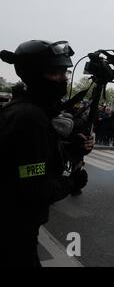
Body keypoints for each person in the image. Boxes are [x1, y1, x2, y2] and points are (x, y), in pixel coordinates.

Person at [0, 40, 92, 267]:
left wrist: (71, 149)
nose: (63, 79)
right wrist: (72, 182)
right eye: (55, 73)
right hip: (14, 226)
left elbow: (34, 158)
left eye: (64, 72)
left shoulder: (32, 112)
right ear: (34, 75)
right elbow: (34, 186)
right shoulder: (29, 118)